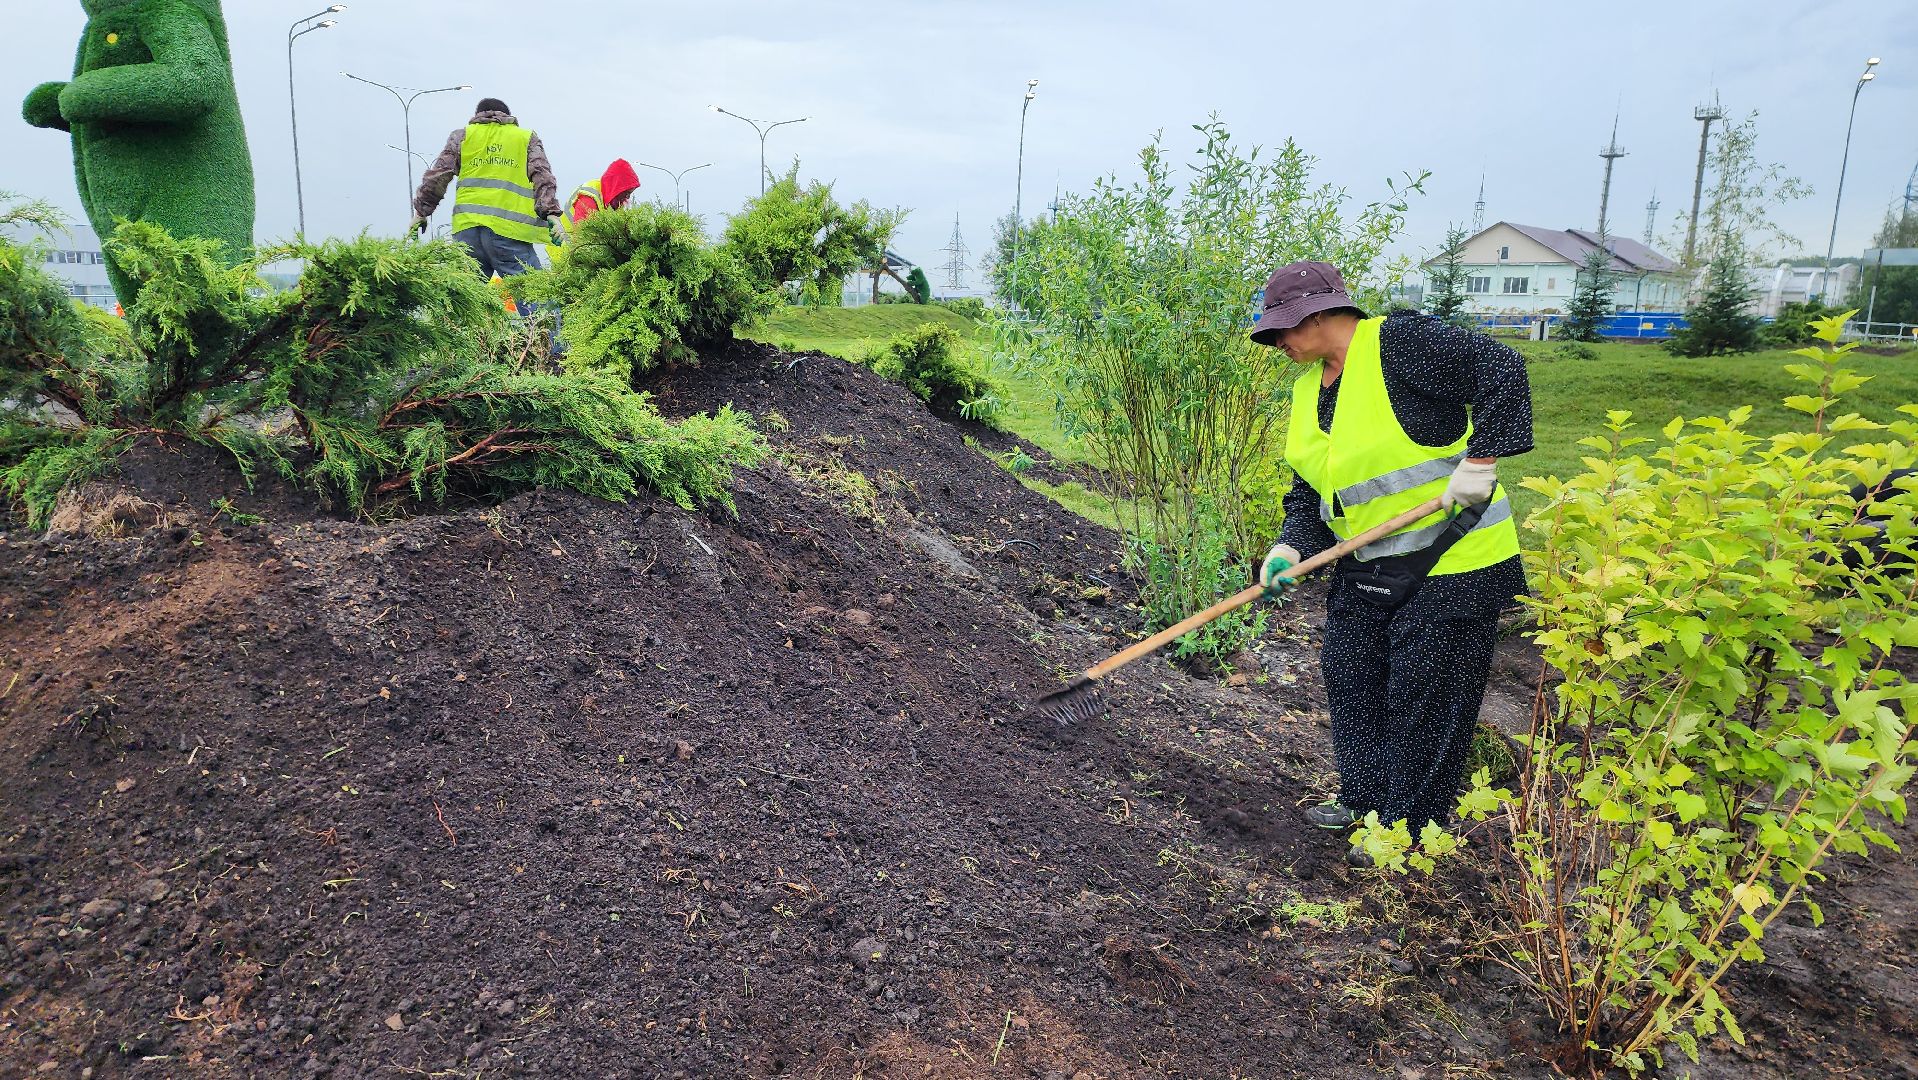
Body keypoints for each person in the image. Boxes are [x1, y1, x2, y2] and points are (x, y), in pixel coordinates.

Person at [1249, 261, 1533, 867]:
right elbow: (1312, 490)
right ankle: (1366, 802)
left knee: (1426, 693)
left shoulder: (1400, 344)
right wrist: (1289, 547)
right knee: (1351, 675)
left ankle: (1405, 831)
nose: (1278, 344)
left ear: (1322, 313)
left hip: (1456, 555)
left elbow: (1503, 368)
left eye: (1284, 330)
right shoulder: (1308, 390)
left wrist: (1480, 463)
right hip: (1371, 561)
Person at [410, 96, 564, 283]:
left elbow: (438, 177)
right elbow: (542, 176)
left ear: (477, 116)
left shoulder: (462, 136)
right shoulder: (525, 138)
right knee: (537, 298)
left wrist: (421, 213)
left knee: (466, 301)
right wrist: (551, 214)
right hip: (509, 232)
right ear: (508, 117)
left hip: (467, 232)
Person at [568, 159, 641, 227]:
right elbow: (581, 232)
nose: (628, 197)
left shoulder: (614, 202)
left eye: (630, 194)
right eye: (626, 193)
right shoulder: (589, 197)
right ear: (616, 188)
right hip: (565, 238)